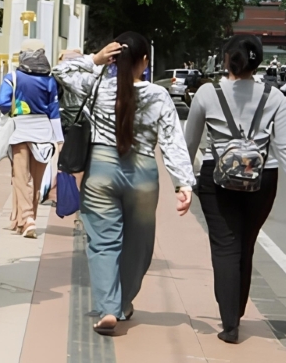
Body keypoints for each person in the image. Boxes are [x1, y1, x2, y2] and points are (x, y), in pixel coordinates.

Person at [52, 33, 194, 336]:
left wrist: (94, 59)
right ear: (145, 61)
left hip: (101, 170)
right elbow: (172, 141)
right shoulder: (158, 95)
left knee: (103, 243)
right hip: (143, 174)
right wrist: (183, 183)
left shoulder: (97, 85)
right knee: (138, 244)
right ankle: (123, 300)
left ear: (113, 58)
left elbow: (60, 71)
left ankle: (108, 308)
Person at [185, 35, 286, 343]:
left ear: (227, 58)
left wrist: (182, 180)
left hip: (217, 177)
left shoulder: (207, 92)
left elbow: (188, 143)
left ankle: (230, 323)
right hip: (262, 179)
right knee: (246, 245)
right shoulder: (275, 96)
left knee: (225, 247)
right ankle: (237, 311)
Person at [0, 40, 63, 237]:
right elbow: (54, 111)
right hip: (44, 133)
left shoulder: (13, 77)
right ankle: (25, 221)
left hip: (20, 130)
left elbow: (2, 102)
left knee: (21, 177)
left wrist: (14, 109)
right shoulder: (50, 81)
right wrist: (59, 139)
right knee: (35, 179)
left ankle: (27, 218)